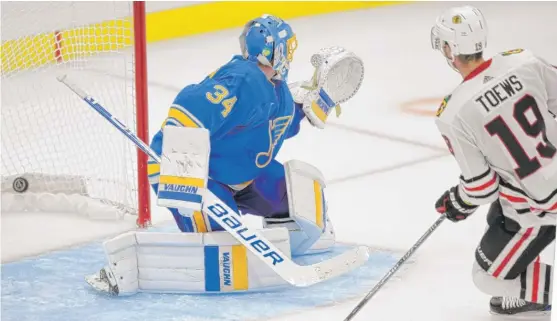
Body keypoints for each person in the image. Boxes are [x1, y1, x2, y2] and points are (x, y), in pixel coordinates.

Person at [430, 5, 557, 316]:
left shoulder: (453, 112)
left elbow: (482, 188)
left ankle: (534, 295)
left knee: (483, 277)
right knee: (497, 217)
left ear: (449, 49)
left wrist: (457, 202)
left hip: (541, 207)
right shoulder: (523, 59)